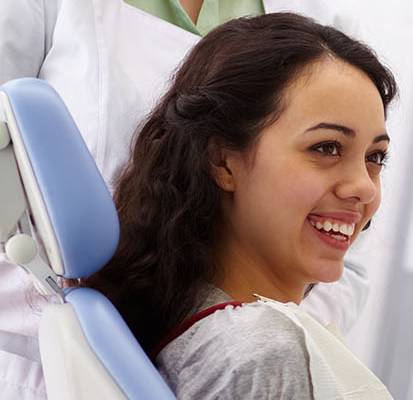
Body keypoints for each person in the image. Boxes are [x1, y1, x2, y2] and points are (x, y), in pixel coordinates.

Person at [0, 2, 373, 397]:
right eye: (325, 148)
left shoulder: (325, 22)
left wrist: (240, 355)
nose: (361, 186)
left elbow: (342, 261)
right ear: (221, 160)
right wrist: (106, 344)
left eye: (377, 158)